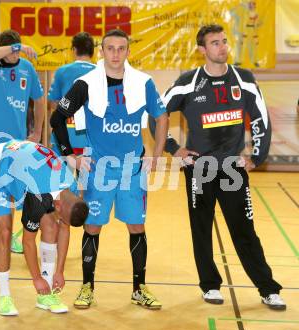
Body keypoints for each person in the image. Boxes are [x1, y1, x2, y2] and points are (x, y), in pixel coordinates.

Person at [161, 24, 285, 310]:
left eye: (224, 41)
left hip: (232, 169)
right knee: (201, 228)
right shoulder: (188, 82)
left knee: (244, 230)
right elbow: (158, 113)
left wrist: (256, 157)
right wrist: (174, 148)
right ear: (202, 50)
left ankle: (268, 288)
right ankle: (210, 285)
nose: (222, 47)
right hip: (199, 167)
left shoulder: (244, 79)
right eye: (215, 43)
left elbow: (261, 119)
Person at [50, 29, 169, 310]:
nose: (116, 53)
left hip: (132, 167)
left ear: (128, 51)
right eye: (110, 48)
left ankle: (139, 289)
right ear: (102, 52)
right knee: (92, 227)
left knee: (137, 227)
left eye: (121, 48)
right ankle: (87, 288)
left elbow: (161, 117)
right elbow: (57, 119)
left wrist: (157, 155)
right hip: (98, 169)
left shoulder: (142, 82)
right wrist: (71, 156)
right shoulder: (86, 83)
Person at [0, 138, 88, 315]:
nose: (63, 221)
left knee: (52, 226)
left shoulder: (72, 187)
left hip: (25, 167)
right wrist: (36, 278)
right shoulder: (38, 196)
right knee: (5, 232)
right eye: (62, 216)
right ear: (59, 206)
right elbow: (28, 241)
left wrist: (59, 272)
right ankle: (4, 297)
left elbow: (64, 228)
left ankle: (45, 296)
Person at [0, 29, 44, 255]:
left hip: (18, 141)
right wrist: (15, 48)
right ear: (5, 50)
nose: (17, 55)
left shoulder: (27, 69)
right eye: (12, 50)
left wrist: (37, 132)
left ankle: (11, 234)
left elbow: (39, 100)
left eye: (18, 49)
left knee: (13, 186)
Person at [48, 32, 95, 156]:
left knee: (61, 175)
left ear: (74, 50)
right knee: (87, 174)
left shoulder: (62, 71)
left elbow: (53, 103)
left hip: (65, 133)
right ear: (92, 51)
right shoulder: (101, 73)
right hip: (91, 137)